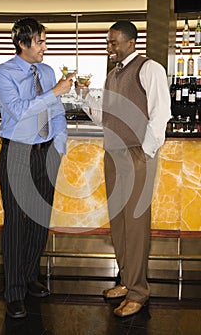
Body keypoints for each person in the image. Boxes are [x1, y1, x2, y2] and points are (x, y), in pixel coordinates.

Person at [77, 21, 171, 317]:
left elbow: (161, 113)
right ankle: (127, 282)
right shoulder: (112, 75)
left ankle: (139, 291)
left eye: (114, 42)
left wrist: (144, 152)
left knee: (136, 221)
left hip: (136, 154)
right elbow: (105, 116)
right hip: (114, 153)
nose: (110, 48)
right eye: (108, 42)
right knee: (119, 221)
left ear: (131, 42)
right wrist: (84, 97)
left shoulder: (149, 68)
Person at [0, 17, 75, 319]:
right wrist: (54, 92)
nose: (45, 46)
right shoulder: (3, 73)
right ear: (22, 43)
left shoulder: (47, 70)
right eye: (39, 41)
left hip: (46, 152)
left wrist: (60, 147)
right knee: (16, 222)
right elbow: (20, 111)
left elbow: (55, 112)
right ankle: (13, 291)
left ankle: (29, 277)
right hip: (17, 152)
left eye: (44, 40)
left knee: (40, 217)